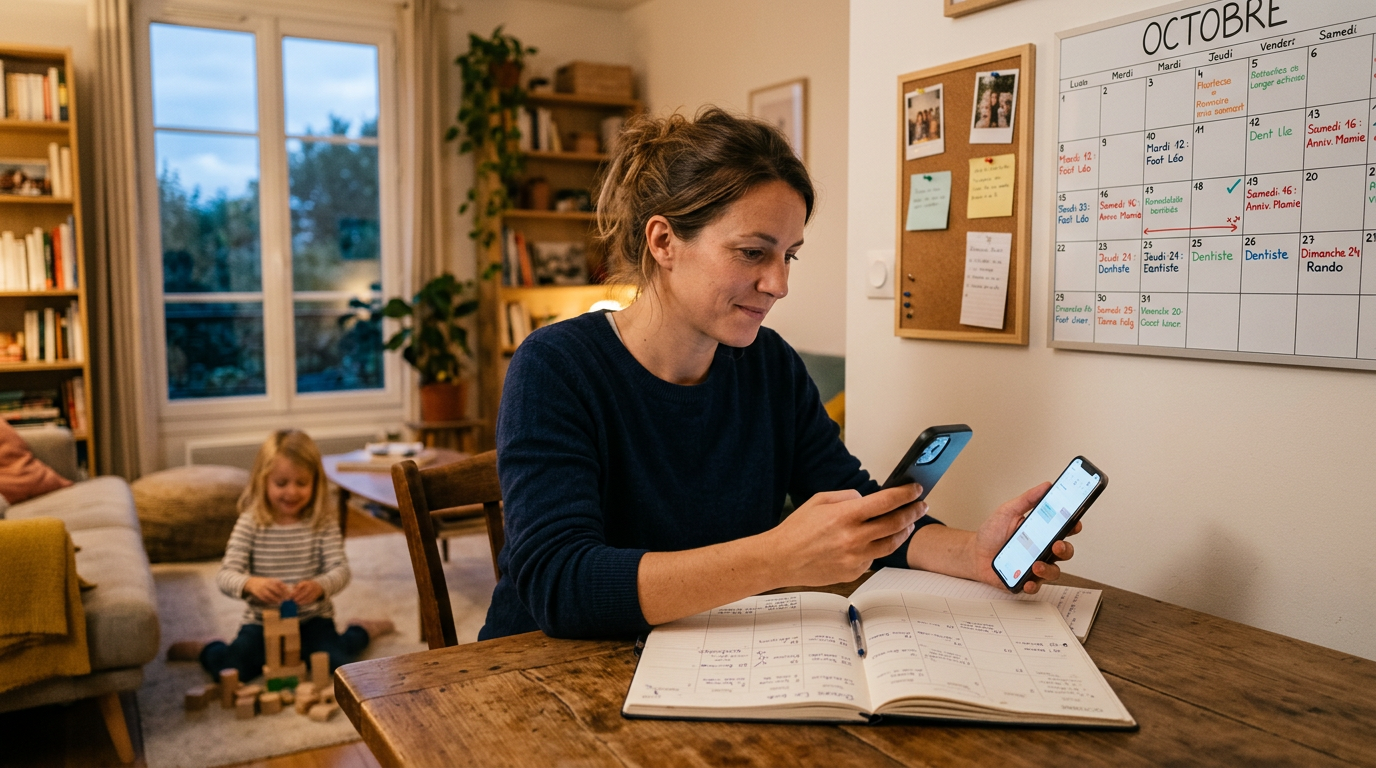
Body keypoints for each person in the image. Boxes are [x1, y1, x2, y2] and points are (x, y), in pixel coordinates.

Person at [479, 108, 1078, 641]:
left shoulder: (768, 365)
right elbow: (558, 583)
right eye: (752, 252)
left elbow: (858, 506)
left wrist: (974, 552)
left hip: (707, 654)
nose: (779, 284)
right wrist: (778, 557)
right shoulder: (556, 366)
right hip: (541, 674)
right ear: (664, 241)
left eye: (788, 255)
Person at [166, 429, 394, 681]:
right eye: (281, 483)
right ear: (263, 481)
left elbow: (341, 570)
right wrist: (251, 584)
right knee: (232, 669)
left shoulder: (322, 522)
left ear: (316, 483)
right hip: (263, 623)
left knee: (337, 663)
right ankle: (207, 647)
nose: (291, 492)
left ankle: (362, 628)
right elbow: (226, 575)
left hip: (313, 620)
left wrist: (320, 586)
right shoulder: (251, 522)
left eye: (301, 483)